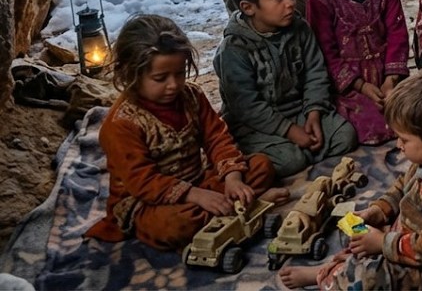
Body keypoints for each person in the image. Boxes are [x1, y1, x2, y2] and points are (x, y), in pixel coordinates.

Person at [86, 15, 289, 251]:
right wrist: (196, 195)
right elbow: (144, 183)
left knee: (260, 165)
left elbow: (217, 138)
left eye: (179, 73)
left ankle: (234, 208)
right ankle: (251, 207)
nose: (173, 85)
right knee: (172, 226)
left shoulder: (192, 97)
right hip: (148, 202)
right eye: (160, 78)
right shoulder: (120, 125)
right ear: (131, 74)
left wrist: (232, 178)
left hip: (198, 180)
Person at [278, 69, 422, 290]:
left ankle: (331, 278)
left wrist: (382, 243)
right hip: (409, 237)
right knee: (358, 233)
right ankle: (334, 270)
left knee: (370, 277)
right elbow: (402, 186)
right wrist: (379, 210)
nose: (398, 146)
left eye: (404, 139)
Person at [215, 0, 357, 177]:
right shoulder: (234, 49)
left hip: (299, 111)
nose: (291, 3)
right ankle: (295, 151)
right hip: (255, 126)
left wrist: (313, 113)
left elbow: (315, 72)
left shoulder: (299, 28)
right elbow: (247, 107)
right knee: (290, 160)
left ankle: (303, 148)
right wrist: (289, 131)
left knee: (345, 136)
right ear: (248, 7)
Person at [306, 0, 410, 145]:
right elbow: (326, 55)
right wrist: (361, 86)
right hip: (349, 88)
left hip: (387, 77)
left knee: (417, 111)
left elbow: (397, 35)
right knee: (375, 126)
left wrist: (391, 80)